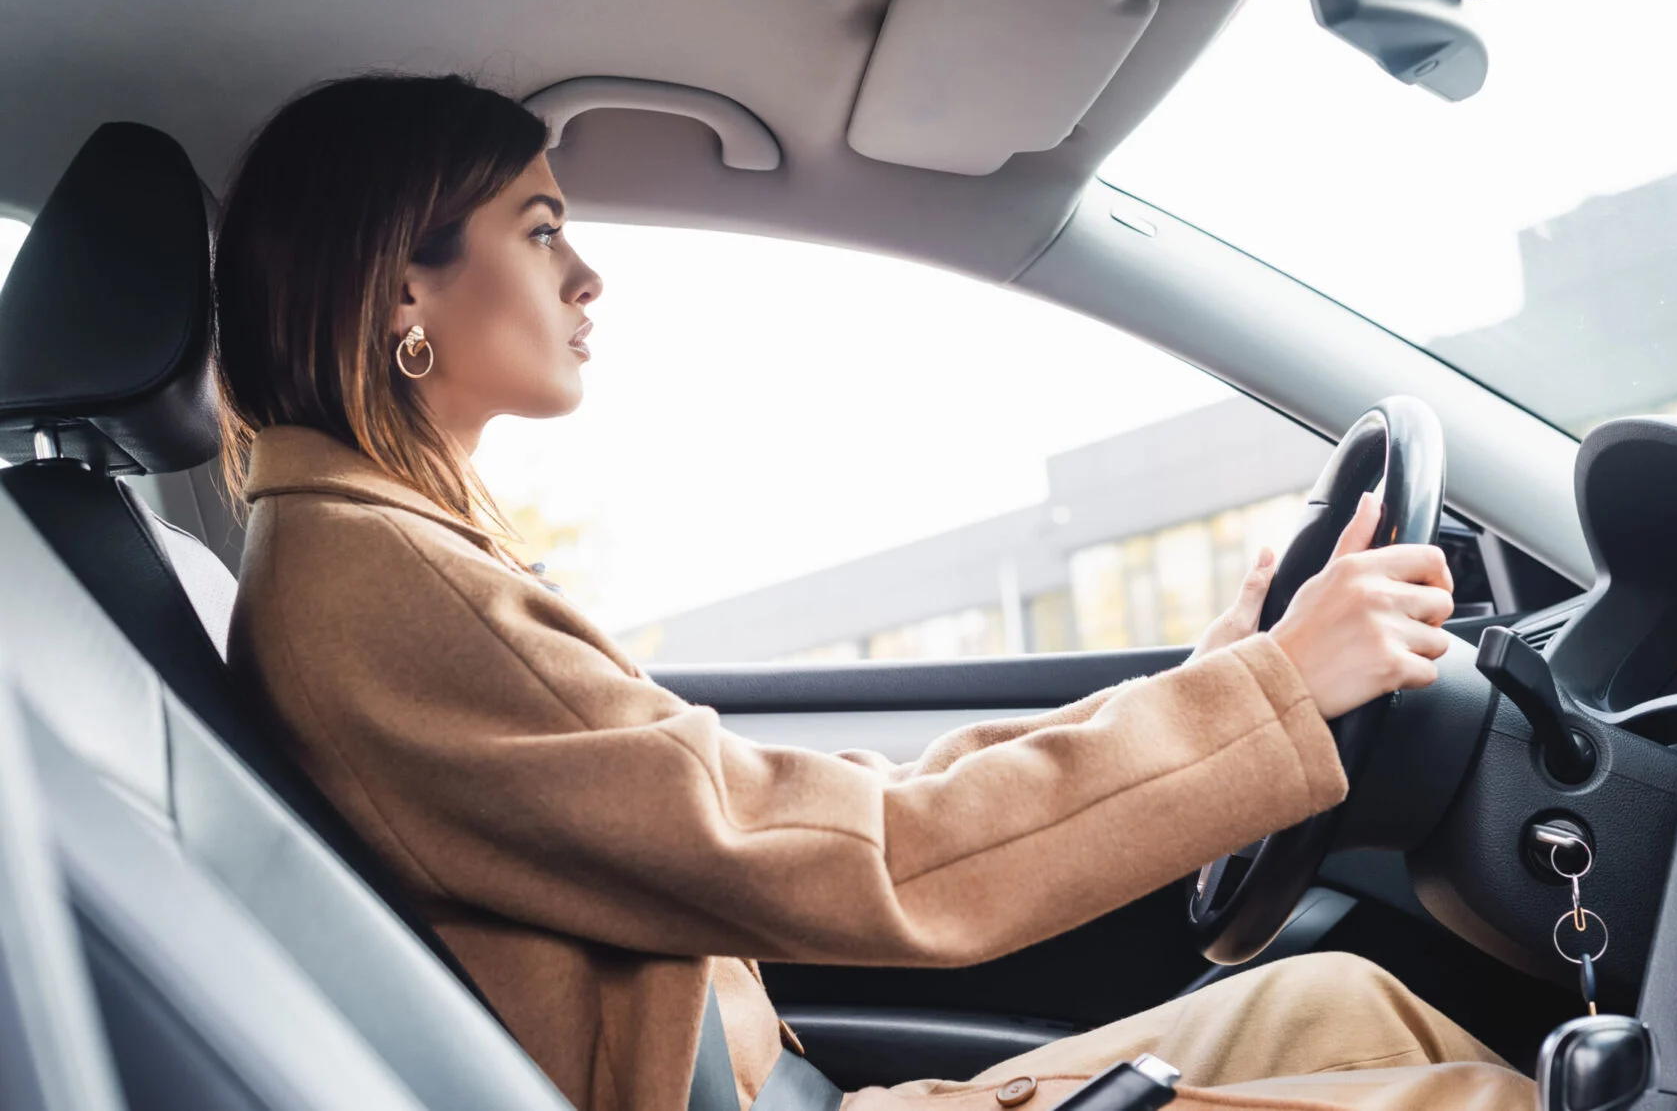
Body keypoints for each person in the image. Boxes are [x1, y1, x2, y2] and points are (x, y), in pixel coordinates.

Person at [215, 75, 1533, 1111]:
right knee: (1478, 1096)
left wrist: (1219, 688)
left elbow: (800, 816)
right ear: (403, 285)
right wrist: (1275, 691)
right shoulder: (381, 581)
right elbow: (872, 860)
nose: (587, 274)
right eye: (542, 227)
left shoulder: (381, 549)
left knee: (1346, 1007)